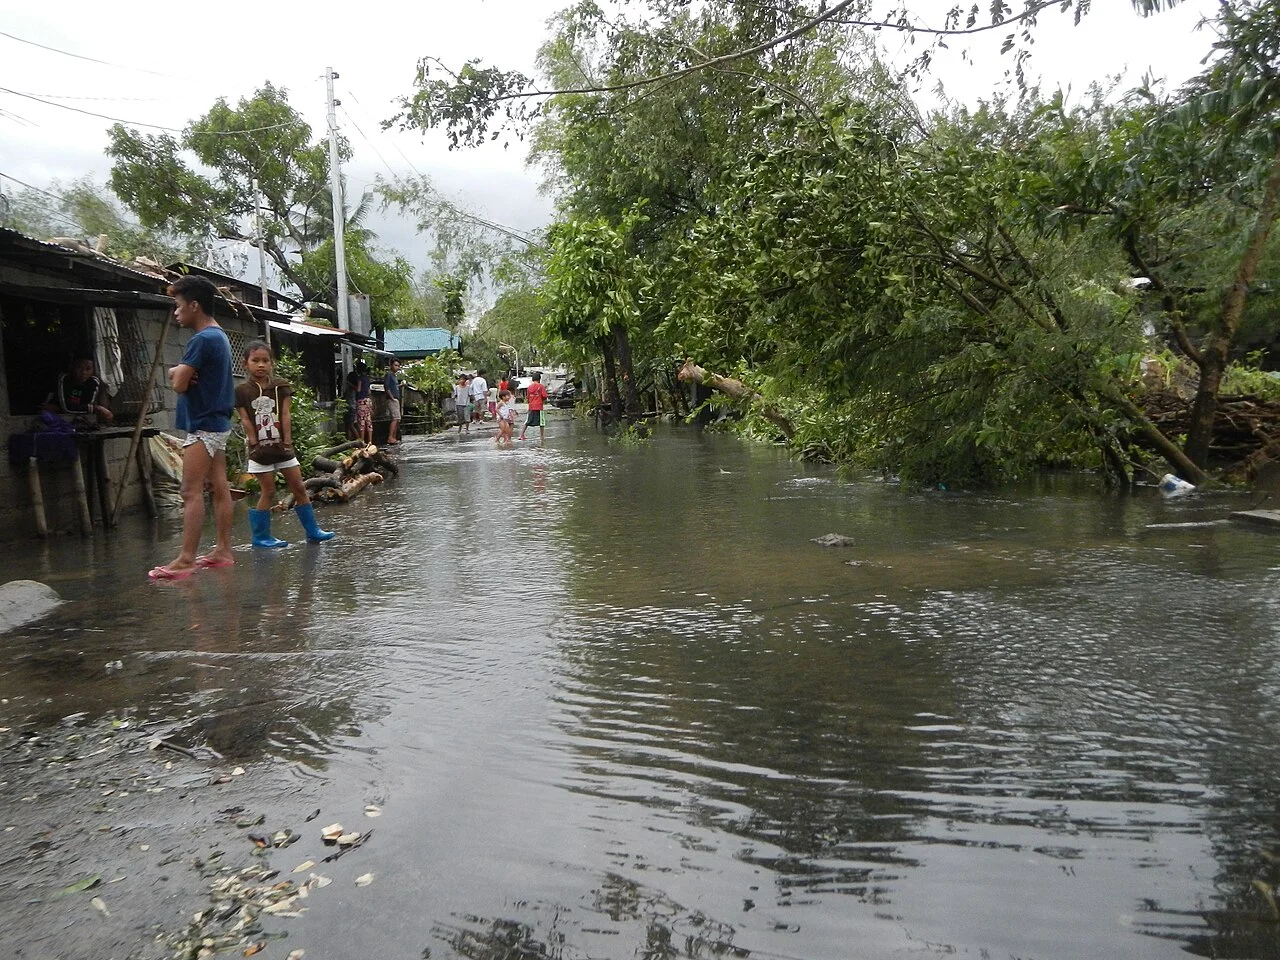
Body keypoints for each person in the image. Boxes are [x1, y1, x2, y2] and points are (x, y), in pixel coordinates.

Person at [149, 275, 235, 580]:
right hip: (218, 422)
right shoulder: (219, 335)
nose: (175, 312)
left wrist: (177, 373)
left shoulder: (202, 339)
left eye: (178, 305)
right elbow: (181, 376)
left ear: (194, 306)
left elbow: (178, 383)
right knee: (219, 487)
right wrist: (180, 371)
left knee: (189, 490)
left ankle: (186, 560)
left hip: (203, 424)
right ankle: (223, 550)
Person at [236, 340, 335, 548]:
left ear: (272, 363)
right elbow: (244, 418)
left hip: (283, 448)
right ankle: (261, 537)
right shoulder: (242, 391)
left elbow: (286, 414)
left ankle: (313, 531)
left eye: (265, 360)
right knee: (268, 491)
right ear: (246, 363)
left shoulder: (280, 386)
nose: (261, 365)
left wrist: (288, 440)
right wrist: (253, 441)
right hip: (259, 450)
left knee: (299, 487)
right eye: (255, 361)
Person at [46, 357, 113, 423]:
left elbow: (85, 406)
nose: (83, 372)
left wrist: (60, 407)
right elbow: (67, 407)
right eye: (79, 368)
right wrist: (96, 408)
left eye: (88, 369)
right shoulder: (65, 379)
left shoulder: (93, 382)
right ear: (72, 368)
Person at [518, 371, 548, 443]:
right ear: (539, 379)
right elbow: (544, 396)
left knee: (528, 421)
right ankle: (542, 437)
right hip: (539, 406)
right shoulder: (541, 386)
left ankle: (521, 435)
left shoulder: (529, 387)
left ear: (532, 379)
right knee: (542, 422)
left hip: (531, 406)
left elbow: (527, 397)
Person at [353, 361, 373, 445]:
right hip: (367, 400)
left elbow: (358, 389)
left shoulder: (360, 378)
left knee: (361, 421)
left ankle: (362, 441)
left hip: (361, 401)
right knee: (368, 421)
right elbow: (369, 391)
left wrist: (351, 385)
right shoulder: (367, 379)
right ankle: (370, 441)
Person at [384, 359, 402, 445]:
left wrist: (400, 385)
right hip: (392, 399)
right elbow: (386, 387)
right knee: (395, 418)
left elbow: (394, 387)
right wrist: (392, 398)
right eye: (395, 365)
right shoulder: (389, 375)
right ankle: (390, 437)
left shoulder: (394, 376)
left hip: (395, 398)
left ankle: (393, 437)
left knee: (397, 419)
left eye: (398, 366)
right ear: (391, 365)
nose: (397, 367)